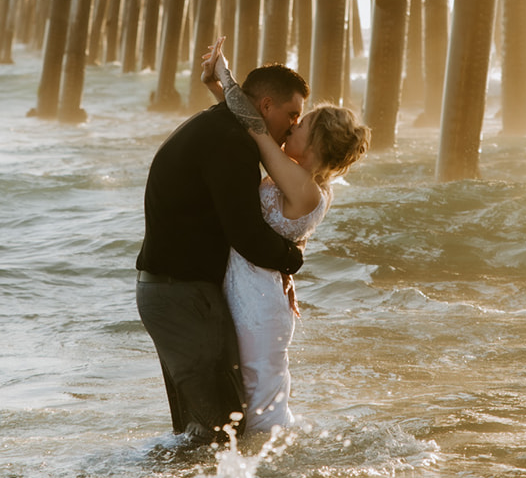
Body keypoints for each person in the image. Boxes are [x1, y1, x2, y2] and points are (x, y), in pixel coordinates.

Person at [201, 38, 370, 432]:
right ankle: (255, 470)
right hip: (253, 293)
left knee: (261, 400)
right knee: (250, 395)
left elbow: (256, 130)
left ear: (316, 145)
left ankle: (272, 476)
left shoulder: (306, 186)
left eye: (302, 124)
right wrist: (217, 86)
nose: (292, 125)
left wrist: (224, 76)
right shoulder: (308, 185)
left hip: (258, 306)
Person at [136, 62, 310, 442]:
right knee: (221, 429)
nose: (294, 125)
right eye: (292, 113)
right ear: (266, 106)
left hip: (174, 293)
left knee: (201, 430)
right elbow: (246, 234)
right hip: (180, 297)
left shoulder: (221, 127)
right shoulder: (229, 142)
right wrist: (294, 260)